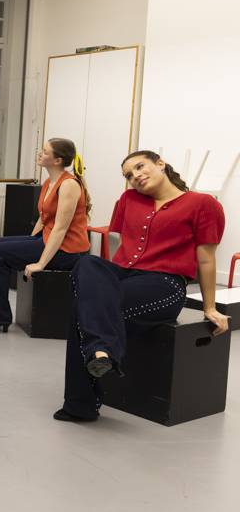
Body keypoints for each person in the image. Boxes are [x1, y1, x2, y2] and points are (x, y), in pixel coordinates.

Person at [54, 149, 229, 423]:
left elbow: (206, 259)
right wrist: (109, 282)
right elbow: (123, 244)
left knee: (81, 309)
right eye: (128, 175)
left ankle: (82, 399)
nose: (135, 176)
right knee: (87, 263)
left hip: (164, 284)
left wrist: (210, 307)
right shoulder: (128, 200)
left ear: (160, 164)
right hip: (124, 275)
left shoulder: (203, 204)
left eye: (139, 167)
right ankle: (101, 352)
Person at [0, 138, 90, 332]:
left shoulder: (69, 185)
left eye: (45, 152)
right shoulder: (49, 182)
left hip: (66, 250)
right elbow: (43, 218)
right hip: (47, 239)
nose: (39, 154)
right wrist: (29, 241)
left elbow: (60, 228)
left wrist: (40, 263)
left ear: (57, 160)